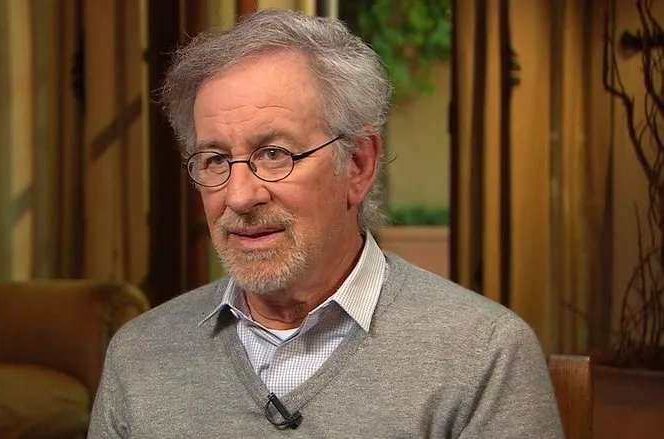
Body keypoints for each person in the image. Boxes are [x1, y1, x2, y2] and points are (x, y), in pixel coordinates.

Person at [88, 8, 563, 438]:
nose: (239, 196)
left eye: (274, 154)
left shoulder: (484, 355)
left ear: (357, 164)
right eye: (215, 159)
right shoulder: (138, 355)